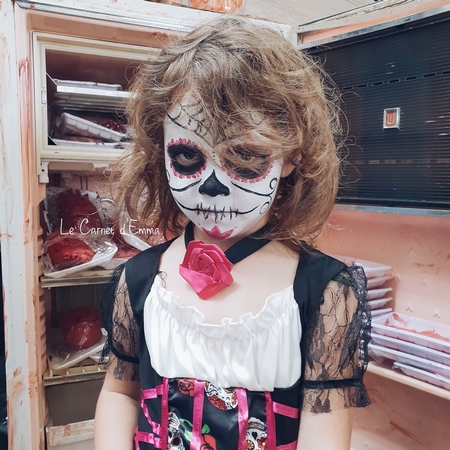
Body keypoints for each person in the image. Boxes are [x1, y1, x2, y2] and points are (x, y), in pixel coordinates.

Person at [94, 16, 371, 450]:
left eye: (244, 158)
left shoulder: (324, 293)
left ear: (291, 157)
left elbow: (326, 428)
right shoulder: (140, 280)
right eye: (188, 157)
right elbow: (120, 392)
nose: (213, 186)